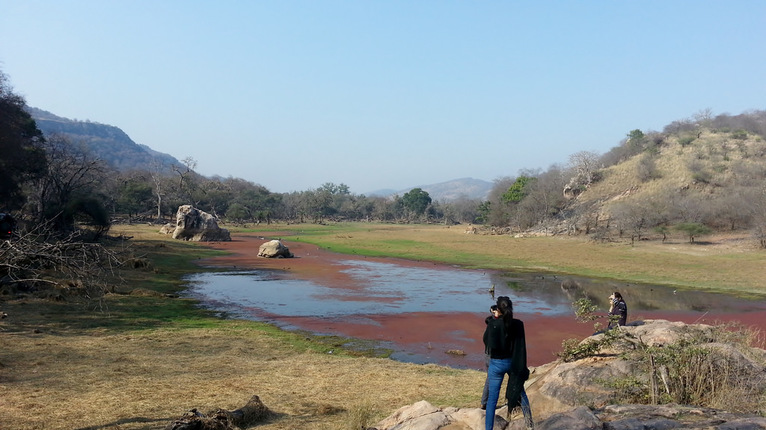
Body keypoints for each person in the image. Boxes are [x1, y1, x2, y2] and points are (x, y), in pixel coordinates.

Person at [482, 296, 533, 430]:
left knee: (492, 400)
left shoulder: (493, 324)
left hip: (496, 364)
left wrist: (494, 318)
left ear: (498, 310)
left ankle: (489, 428)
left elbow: (487, 341)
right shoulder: (518, 324)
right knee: (520, 391)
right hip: (513, 363)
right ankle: (529, 424)